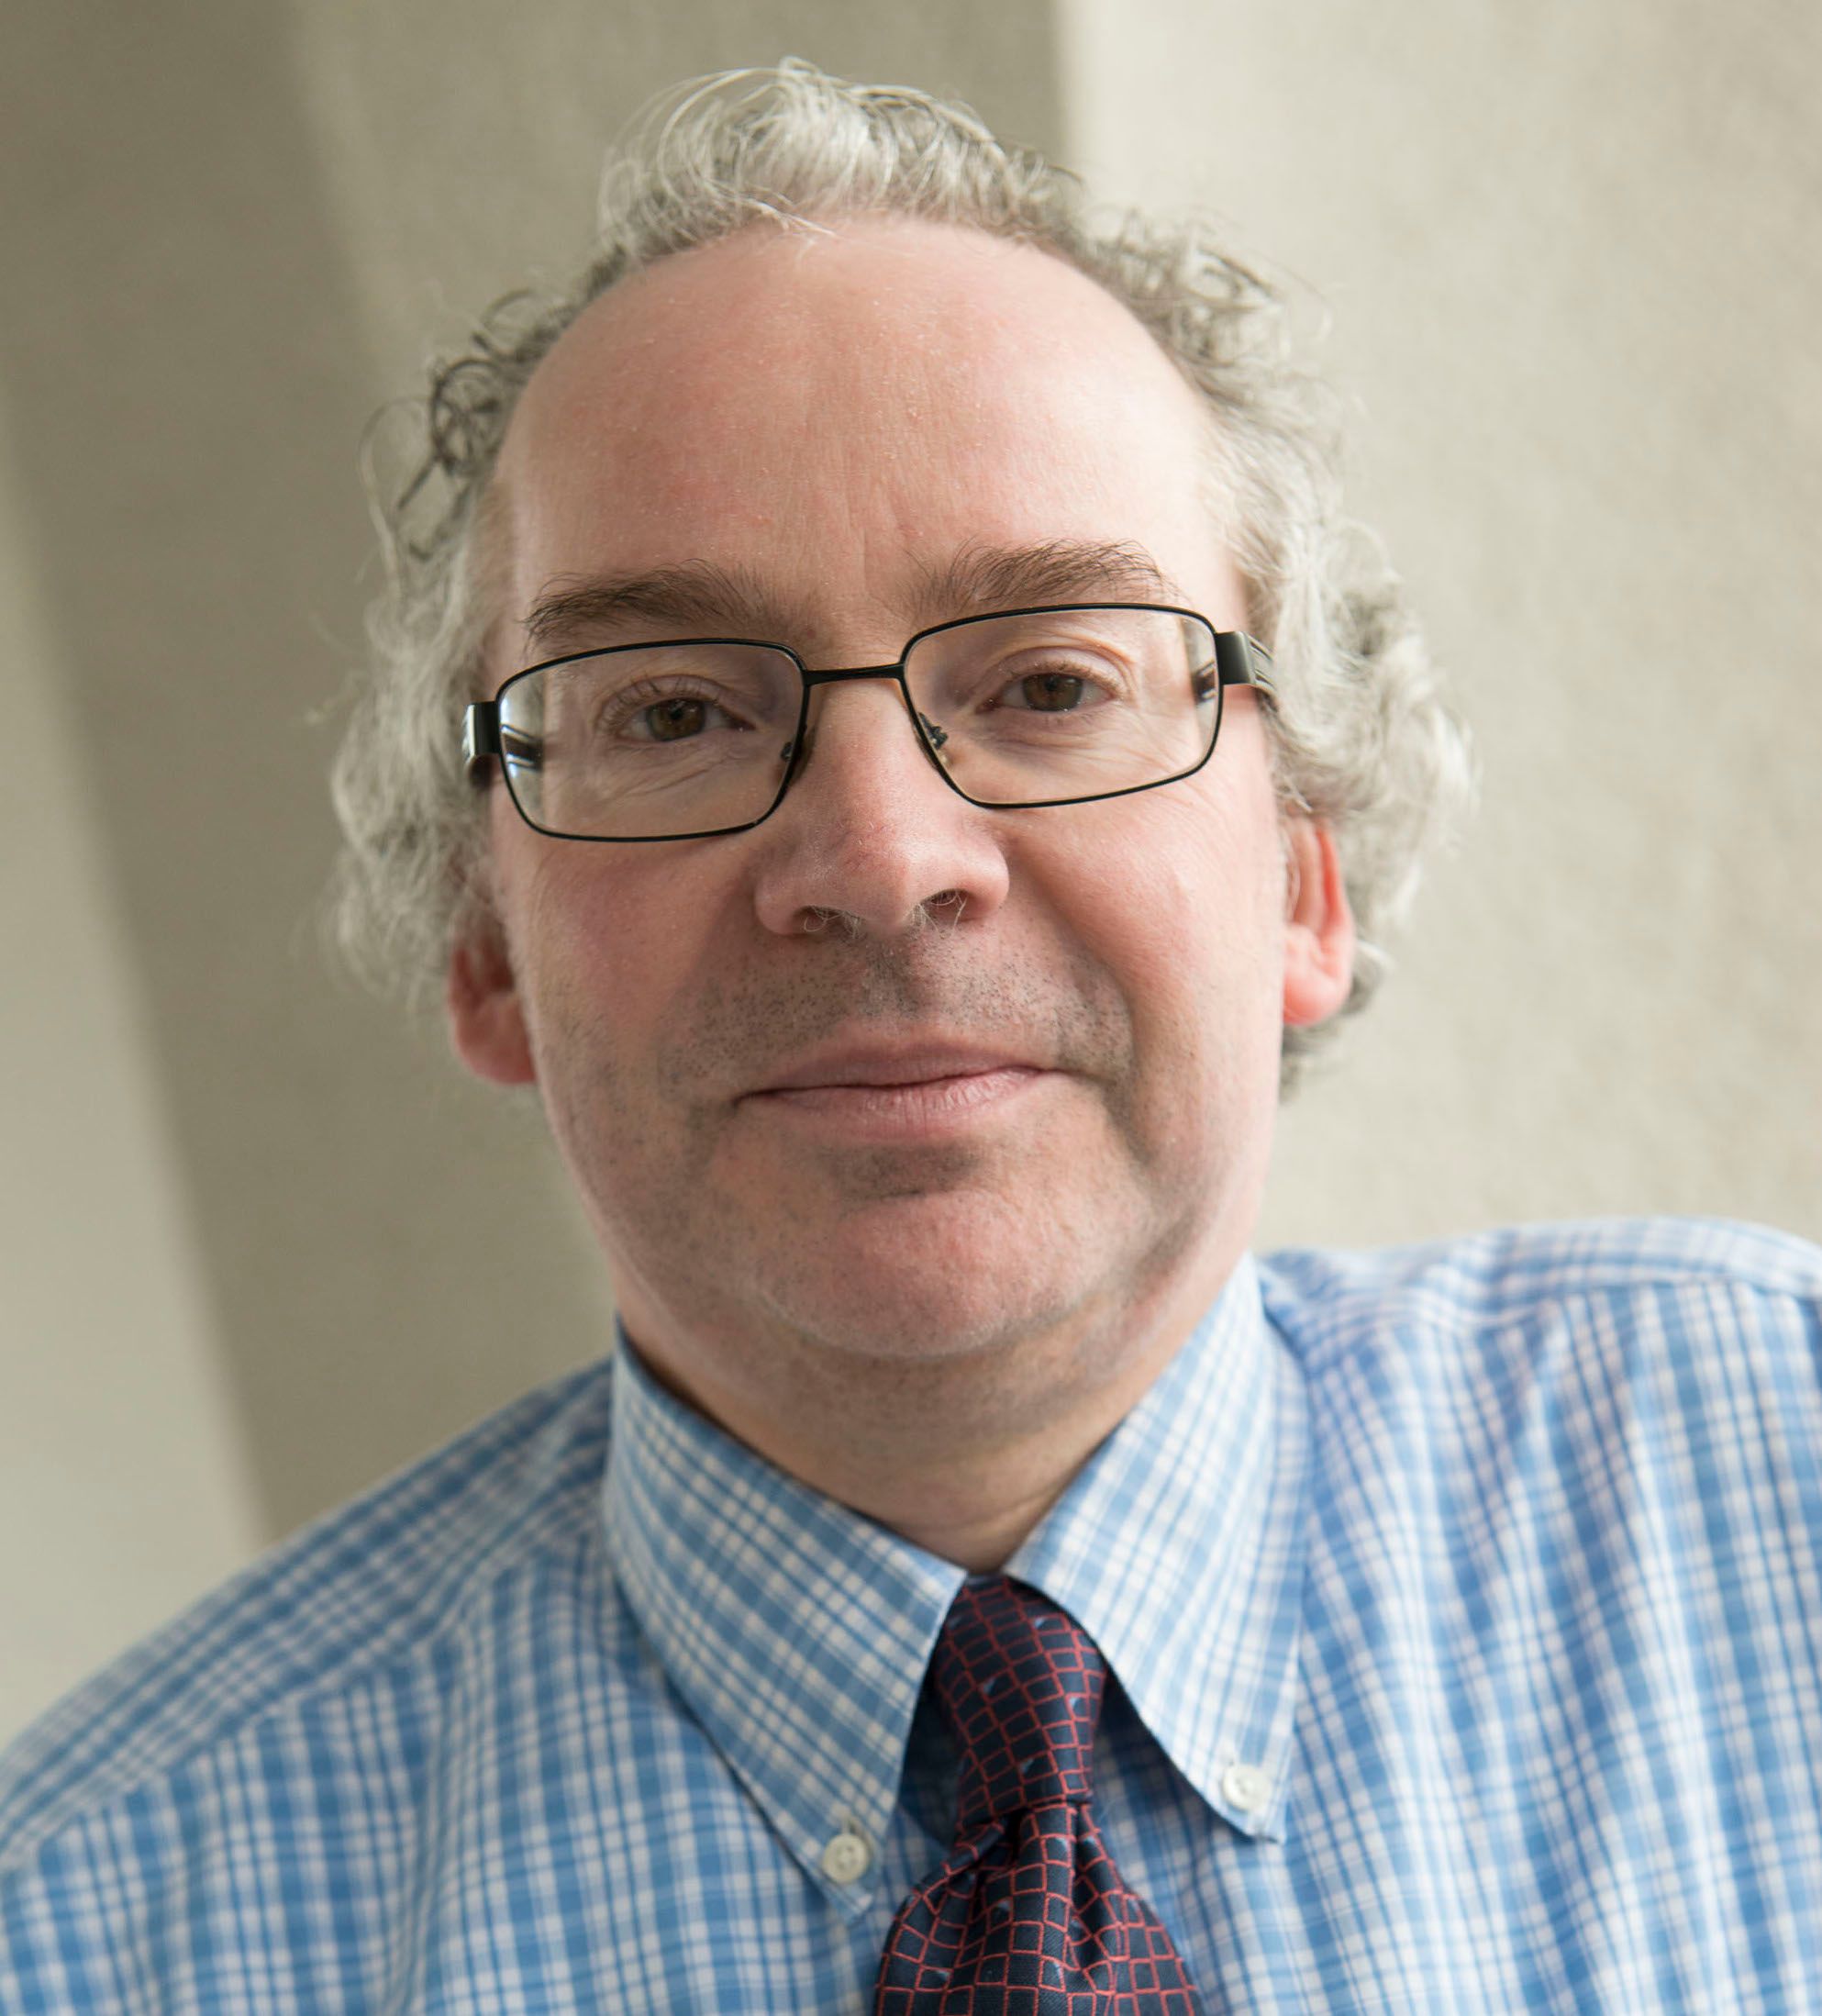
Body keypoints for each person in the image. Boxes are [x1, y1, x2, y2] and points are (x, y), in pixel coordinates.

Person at [3, 61, 1818, 2014]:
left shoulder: (1779, 1482)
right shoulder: (91, 1930)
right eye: (676, 711)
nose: (878, 857)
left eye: (1052, 679)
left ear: (1306, 877)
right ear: (485, 943)